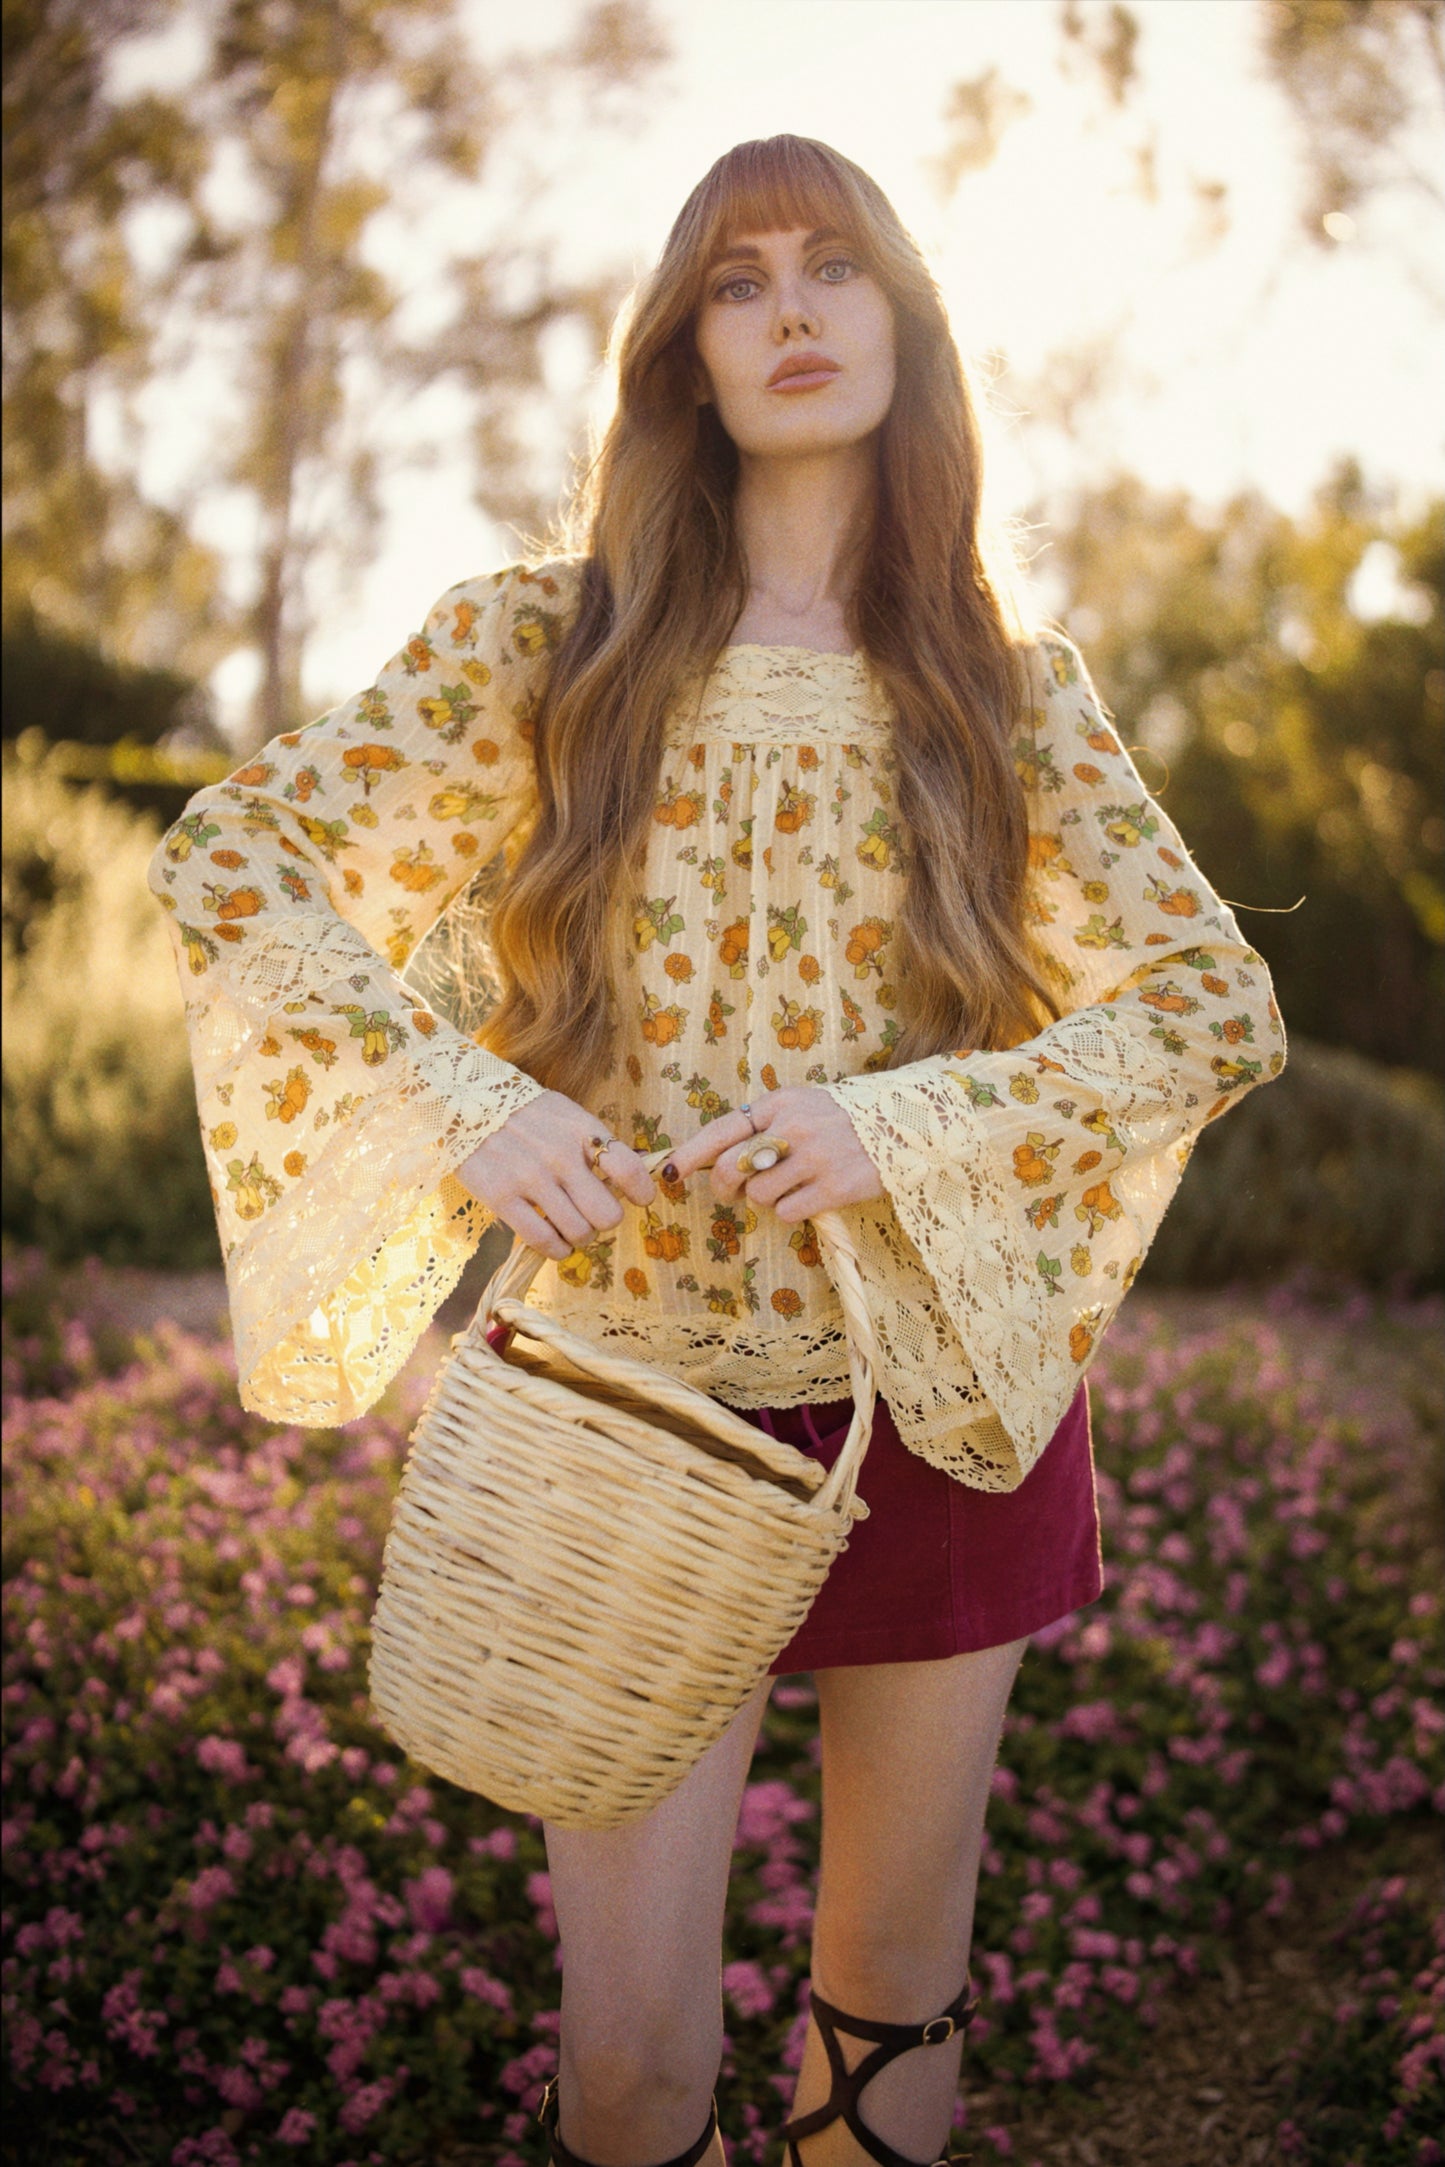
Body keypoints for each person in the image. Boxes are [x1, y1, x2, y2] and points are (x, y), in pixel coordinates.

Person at [151, 135, 1285, 2167]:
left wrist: (904, 1122)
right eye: (739, 281)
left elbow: (1215, 1005)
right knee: (634, 2067)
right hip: (622, 1408)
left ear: (904, 325)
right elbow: (232, 858)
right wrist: (465, 1102)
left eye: (832, 270)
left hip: (938, 1417)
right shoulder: (543, 645)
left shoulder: (1005, 695)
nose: (788, 313)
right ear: (682, 351)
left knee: (882, 2020)